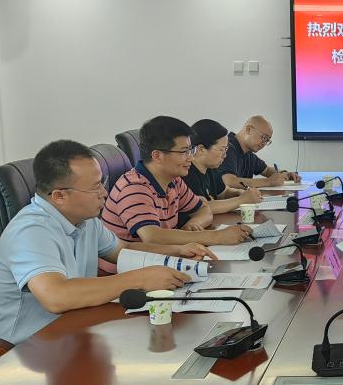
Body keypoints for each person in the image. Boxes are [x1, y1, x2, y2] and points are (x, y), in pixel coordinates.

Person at [0, 139, 216, 344]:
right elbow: (56, 296)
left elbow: (123, 249)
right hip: (25, 350)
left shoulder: (84, 220)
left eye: (102, 182)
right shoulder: (31, 231)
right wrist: (140, 278)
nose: (104, 192)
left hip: (72, 331)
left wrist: (177, 251)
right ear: (60, 196)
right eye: (96, 187)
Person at [100, 116, 253, 273]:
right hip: (125, 272)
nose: (191, 157)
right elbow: (152, 236)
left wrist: (193, 224)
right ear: (157, 156)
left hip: (159, 262)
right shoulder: (134, 187)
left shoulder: (174, 180)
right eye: (183, 152)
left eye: (190, 150)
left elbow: (204, 209)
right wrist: (216, 236)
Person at [185, 119, 264, 214]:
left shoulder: (210, 169)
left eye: (226, 149)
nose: (225, 155)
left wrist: (240, 193)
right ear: (201, 149)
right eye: (222, 149)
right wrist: (241, 200)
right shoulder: (187, 172)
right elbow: (202, 207)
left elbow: (224, 192)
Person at [220, 115, 299, 189]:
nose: (264, 143)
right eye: (263, 137)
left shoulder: (248, 153)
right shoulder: (227, 147)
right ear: (248, 129)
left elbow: (266, 170)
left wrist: (284, 174)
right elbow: (229, 181)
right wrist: (268, 181)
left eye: (267, 140)